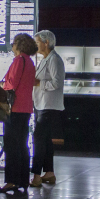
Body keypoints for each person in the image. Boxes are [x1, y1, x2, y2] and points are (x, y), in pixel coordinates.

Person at [0, 33, 37, 195]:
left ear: (19, 46)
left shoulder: (18, 60)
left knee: (11, 145)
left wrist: (1, 84)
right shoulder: (30, 62)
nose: (12, 46)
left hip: (14, 108)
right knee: (22, 144)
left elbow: (11, 84)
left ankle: (12, 181)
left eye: (13, 43)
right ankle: (23, 179)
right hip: (26, 108)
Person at [30, 29, 65, 188]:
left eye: (37, 42)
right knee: (45, 139)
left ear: (46, 43)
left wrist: (39, 84)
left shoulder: (54, 60)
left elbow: (57, 83)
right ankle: (49, 172)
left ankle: (36, 174)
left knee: (38, 138)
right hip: (41, 104)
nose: (36, 45)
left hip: (49, 105)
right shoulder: (45, 59)